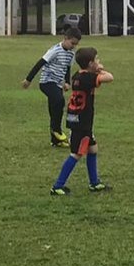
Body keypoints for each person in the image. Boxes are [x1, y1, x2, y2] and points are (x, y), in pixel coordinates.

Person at [49, 46, 114, 195]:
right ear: (91, 63)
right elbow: (110, 77)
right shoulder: (88, 78)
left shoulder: (77, 75)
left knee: (93, 149)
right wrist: (101, 70)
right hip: (82, 122)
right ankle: (57, 186)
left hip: (76, 119)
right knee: (77, 154)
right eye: (97, 60)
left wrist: (95, 69)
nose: (99, 61)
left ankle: (94, 182)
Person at [23, 28, 80, 147]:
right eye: (72, 43)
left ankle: (55, 140)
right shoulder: (55, 50)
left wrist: (67, 82)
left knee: (54, 108)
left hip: (58, 84)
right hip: (47, 82)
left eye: (76, 44)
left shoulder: (71, 53)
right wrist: (28, 79)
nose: (73, 46)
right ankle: (56, 130)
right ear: (65, 38)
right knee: (59, 101)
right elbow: (40, 63)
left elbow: (68, 67)